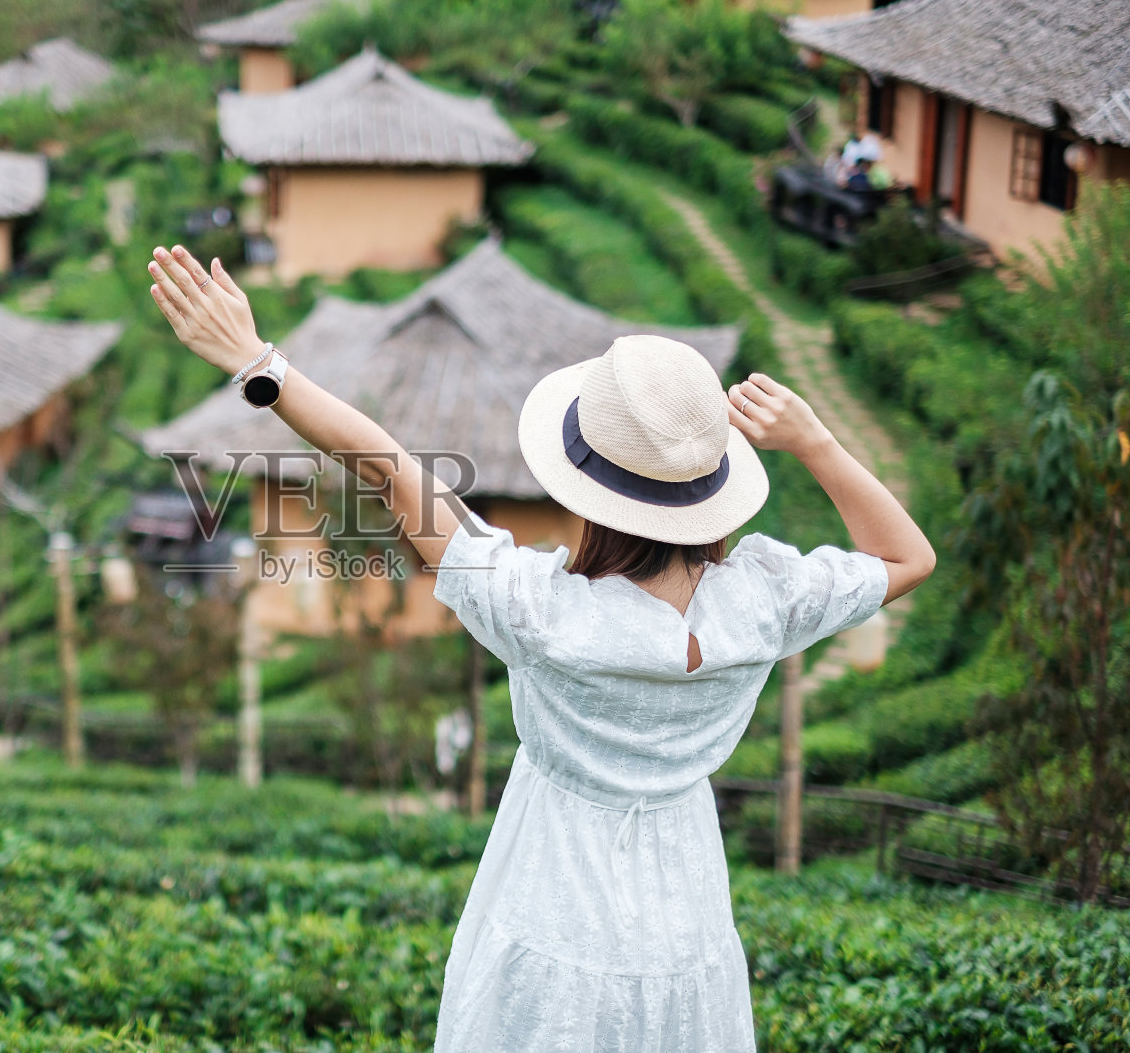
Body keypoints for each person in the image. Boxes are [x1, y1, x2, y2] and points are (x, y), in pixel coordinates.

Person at [145, 244, 935, 1052]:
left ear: (593, 491)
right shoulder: (766, 600)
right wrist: (815, 442)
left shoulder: (541, 611)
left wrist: (257, 362)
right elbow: (908, 557)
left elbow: (387, 466)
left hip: (551, 911)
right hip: (685, 916)